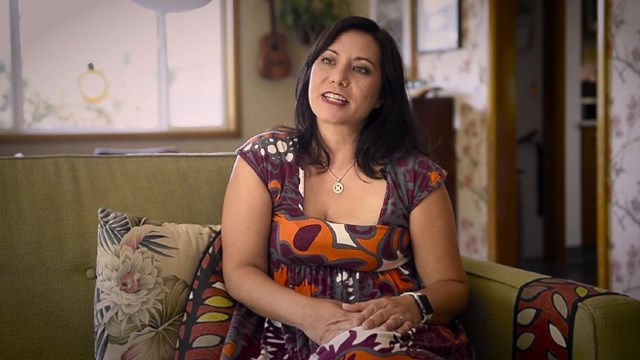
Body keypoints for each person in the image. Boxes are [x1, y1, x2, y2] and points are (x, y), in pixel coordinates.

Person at [220, 15, 474, 359]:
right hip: (286, 338)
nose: (338, 78)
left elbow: (453, 288)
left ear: (383, 95)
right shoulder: (264, 159)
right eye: (328, 60)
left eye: (361, 69)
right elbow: (239, 270)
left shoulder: (415, 176)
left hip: (393, 340)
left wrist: (412, 305)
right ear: (311, 70)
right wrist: (312, 316)